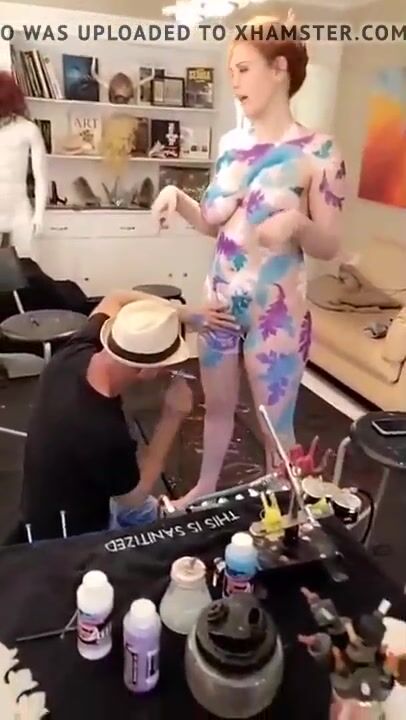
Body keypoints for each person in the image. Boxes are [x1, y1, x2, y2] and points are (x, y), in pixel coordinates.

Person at [151, 13, 347, 508]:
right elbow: (213, 223)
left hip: (276, 313)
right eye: (231, 71)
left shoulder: (320, 151)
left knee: (275, 426)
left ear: (278, 68)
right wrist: (177, 197)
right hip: (217, 303)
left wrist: (297, 223)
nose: (234, 82)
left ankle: (285, 506)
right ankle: (205, 487)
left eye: (242, 69)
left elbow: (330, 245)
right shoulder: (231, 145)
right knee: (217, 408)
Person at [17, 290, 191, 542]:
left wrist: (185, 314)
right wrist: (172, 417)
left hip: (50, 496)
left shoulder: (74, 353)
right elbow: (133, 498)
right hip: (67, 533)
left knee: (137, 502)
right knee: (136, 513)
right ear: (146, 370)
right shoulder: (102, 430)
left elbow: (115, 298)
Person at [0, 71, 47, 257]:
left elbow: (41, 177)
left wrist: (39, 215)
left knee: (24, 265)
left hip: (19, 212)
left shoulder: (28, 130)